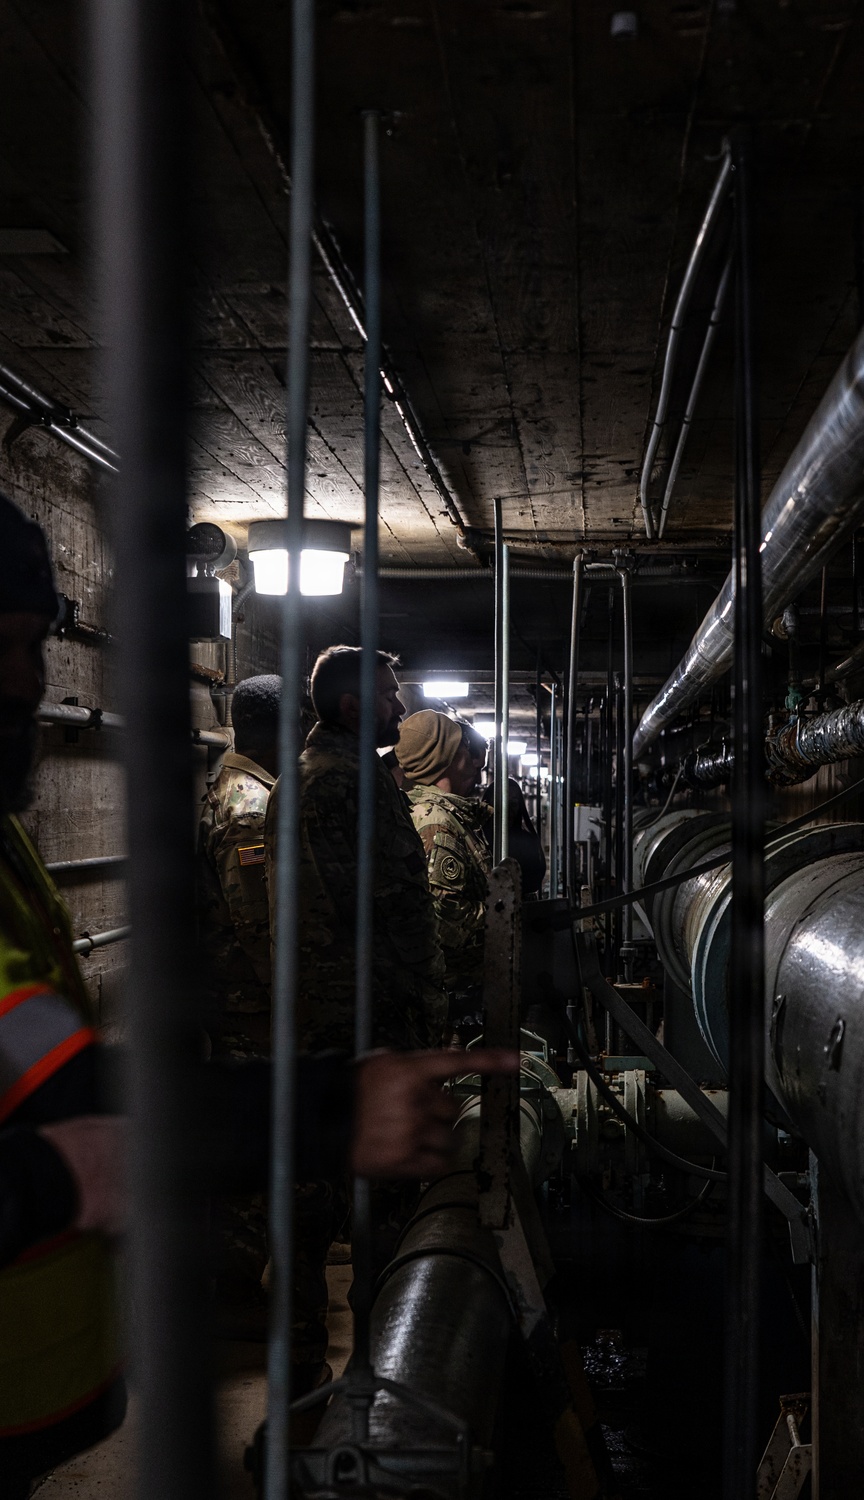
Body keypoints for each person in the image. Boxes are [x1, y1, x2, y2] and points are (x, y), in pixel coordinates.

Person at [0, 494, 516, 1493]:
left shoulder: (10, 842)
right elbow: (285, 935)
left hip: (33, 1392)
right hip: (284, 1034)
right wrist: (319, 1085)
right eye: (8, 645)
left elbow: (43, 1071)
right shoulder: (301, 798)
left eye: (37, 645)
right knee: (297, 1238)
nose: (30, 682)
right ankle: (306, 1410)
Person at [267, 645, 447, 1055]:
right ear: (352, 707)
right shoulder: (354, 780)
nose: (400, 707)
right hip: (371, 1011)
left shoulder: (296, 775)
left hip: (315, 1009)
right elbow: (399, 900)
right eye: (388, 696)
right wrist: (429, 988)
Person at [197, 673, 281, 1333]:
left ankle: (235, 1287)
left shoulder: (239, 791)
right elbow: (257, 923)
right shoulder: (249, 805)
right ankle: (232, 1296)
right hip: (251, 1006)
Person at [397, 713, 493, 1019]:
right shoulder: (436, 821)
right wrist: (505, 918)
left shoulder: (441, 813)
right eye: (462, 744)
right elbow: (444, 918)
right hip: (452, 997)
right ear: (452, 755)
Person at [482, 776, 547, 896]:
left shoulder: (527, 842)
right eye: (502, 802)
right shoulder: (478, 839)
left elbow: (534, 881)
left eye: (513, 803)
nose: (508, 810)